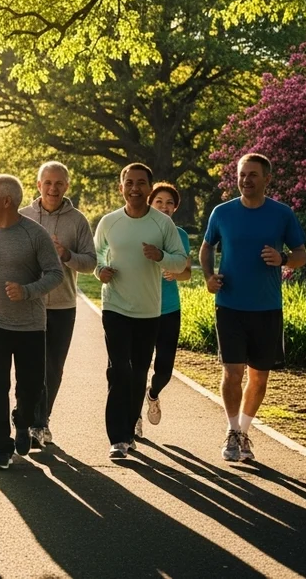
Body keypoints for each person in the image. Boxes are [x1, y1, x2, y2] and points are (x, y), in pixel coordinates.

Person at [200, 153, 306, 463]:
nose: (246, 180)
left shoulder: (282, 214)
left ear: (267, 179)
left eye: (253, 175)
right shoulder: (222, 213)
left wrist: (284, 259)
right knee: (233, 372)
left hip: (266, 307)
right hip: (229, 305)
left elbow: (301, 253)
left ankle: (245, 431)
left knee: (259, 377)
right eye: (242, 174)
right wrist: (209, 277)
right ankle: (232, 432)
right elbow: (207, 246)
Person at [0, 175, 63, 470]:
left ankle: (23, 420)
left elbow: (54, 273)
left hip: (29, 324)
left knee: (30, 386)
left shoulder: (35, 234)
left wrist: (27, 291)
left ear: (6, 201)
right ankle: (1, 448)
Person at [93, 163, 189, 459]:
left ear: (150, 188)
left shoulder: (163, 224)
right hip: (115, 305)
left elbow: (181, 262)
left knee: (137, 373)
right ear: (121, 187)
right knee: (118, 369)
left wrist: (161, 256)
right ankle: (118, 438)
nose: (135, 188)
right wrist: (100, 271)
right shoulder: (109, 222)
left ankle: (130, 429)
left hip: (149, 311)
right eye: (129, 183)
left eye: (141, 183)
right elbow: (97, 255)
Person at [17, 161, 96, 449]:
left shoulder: (78, 220)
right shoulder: (22, 216)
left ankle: (41, 420)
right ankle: (25, 419)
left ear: (67, 186)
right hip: (28, 304)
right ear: (38, 185)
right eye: (47, 183)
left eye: (59, 183)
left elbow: (90, 263)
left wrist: (66, 255)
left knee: (53, 369)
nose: (53, 188)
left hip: (63, 305)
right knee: (28, 367)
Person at [143, 182, 192, 430]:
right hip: (140, 308)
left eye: (170, 203)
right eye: (159, 201)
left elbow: (187, 273)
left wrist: (176, 274)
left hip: (169, 309)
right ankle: (133, 417)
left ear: (175, 208)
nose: (164, 206)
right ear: (150, 203)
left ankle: (152, 394)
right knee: (137, 365)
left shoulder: (180, 235)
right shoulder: (139, 230)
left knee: (164, 369)